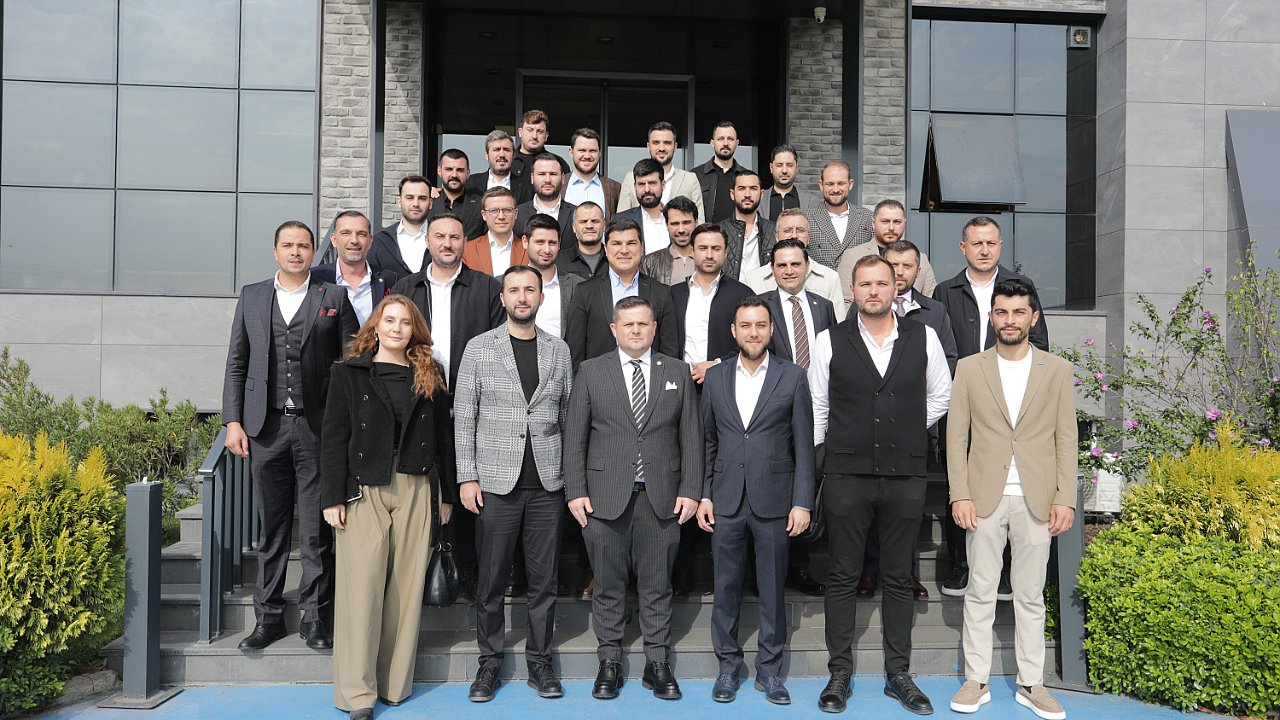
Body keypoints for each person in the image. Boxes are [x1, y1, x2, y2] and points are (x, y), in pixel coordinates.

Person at [810, 255, 951, 715]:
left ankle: (898, 674)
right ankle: (839, 672)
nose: (874, 291)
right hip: (846, 475)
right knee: (842, 574)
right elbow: (817, 406)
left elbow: (942, 394)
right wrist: (824, 460)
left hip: (905, 474)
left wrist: (905, 429)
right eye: (865, 284)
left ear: (897, 288)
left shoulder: (923, 336)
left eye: (882, 283)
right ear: (852, 291)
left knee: (897, 576)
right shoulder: (830, 340)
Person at [222, 221, 359, 652]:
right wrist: (232, 422)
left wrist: (346, 425)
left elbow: (351, 364)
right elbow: (236, 363)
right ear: (275, 251)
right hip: (266, 428)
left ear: (314, 252)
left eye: (303, 246)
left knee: (316, 531)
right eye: (288, 245)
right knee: (273, 529)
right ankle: (268, 619)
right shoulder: (253, 295)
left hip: (316, 429)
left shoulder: (333, 297)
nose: (296, 252)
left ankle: (315, 619)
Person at [320, 295, 456, 720]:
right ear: (375, 326)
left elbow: (444, 438)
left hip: (417, 485)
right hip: (364, 488)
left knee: (405, 590)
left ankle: (394, 685)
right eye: (389, 320)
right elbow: (333, 437)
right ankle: (358, 694)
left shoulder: (430, 373)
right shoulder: (348, 373)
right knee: (361, 591)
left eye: (405, 322)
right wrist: (331, 497)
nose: (397, 328)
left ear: (415, 330)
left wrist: (447, 495)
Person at [947, 278, 1077, 720]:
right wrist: (960, 494)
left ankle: (1031, 683)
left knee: (1031, 595)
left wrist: (1065, 497)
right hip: (984, 497)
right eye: (1002, 312)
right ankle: (976, 680)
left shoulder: (1057, 370)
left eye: (1019, 312)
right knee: (980, 592)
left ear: (1033, 318)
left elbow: (1066, 438)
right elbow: (956, 438)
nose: (1010, 320)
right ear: (991, 317)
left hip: (1038, 499)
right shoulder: (970, 368)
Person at [564, 296, 703, 701]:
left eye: (643, 323)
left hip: (662, 499)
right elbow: (575, 436)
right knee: (608, 586)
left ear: (655, 327)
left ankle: (657, 664)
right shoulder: (591, 371)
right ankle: (609, 661)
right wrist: (576, 491)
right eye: (628, 324)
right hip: (603, 499)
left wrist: (691, 489)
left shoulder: (676, 371)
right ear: (614, 329)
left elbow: (691, 437)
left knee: (658, 586)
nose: (636, 330)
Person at [454, 266, 575, 703]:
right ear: (502, 298)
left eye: (530, 290)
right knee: (490, 581)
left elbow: (568, 417)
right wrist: (467, 476)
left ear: (541, 297)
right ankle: (489, 662)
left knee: (544, 582)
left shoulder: (559, 350)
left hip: (547, 485)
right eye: (514, 290)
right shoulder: (479, 348)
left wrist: (571, 480)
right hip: (494, 483)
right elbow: (464, 415)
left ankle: (540, 663)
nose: (522, 297)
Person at [697, 296, 814, 705]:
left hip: (775, 501)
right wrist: (705, 494)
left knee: (772, 590)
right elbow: (707, 441)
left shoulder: (792, 376)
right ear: (734, 331)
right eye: (745, 325)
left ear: (771, 330)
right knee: (725, 587)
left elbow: (804, 446)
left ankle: (770, 671)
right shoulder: (715, 378)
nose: (753, 332)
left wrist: (802, 502)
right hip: (725, 499)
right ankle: (727, 668)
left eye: (760, 325)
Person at [933, 215, 1049, 599]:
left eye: (990, 243)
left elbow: (1040, 345)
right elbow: (937, 350)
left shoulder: (1021, 287)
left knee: (1007, 486)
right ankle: (961, 565)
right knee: (960, 482)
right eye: (976, 243)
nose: (984, 250)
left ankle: (1003, 572)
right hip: (961, 403)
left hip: (1009, 409)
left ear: (1000, 246)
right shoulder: (945, 291)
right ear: (963, 248)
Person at [856, 238, 959, 602]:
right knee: (870, 503)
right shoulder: (863, 307)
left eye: (907, 266)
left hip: (916, 431)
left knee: (908, 508)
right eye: (893, 265)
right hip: (870, 429)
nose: (900, 272)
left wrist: (914, 418)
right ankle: (870, 570)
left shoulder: (934, 312)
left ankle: (907, 572)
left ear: (918, 270)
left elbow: (948, 361)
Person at [756, 238, 835, 597]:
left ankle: (799, 568)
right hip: (772, 414)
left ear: (807, 267)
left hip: (815, 413)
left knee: (807, 488)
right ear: (772, 270)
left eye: (795, 264)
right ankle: (763, 571)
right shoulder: (761, 306)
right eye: (781, 265)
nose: (789, 271)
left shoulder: (824, 306)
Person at [564, 216, 679, 367]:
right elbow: (575, 354)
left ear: (641, 248)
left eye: (631, 243)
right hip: (600, 380)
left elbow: (670, 353)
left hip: (649, 379)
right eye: (616, 244)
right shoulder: (584, 292)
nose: (624, 250)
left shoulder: (661, 293)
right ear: (606, 249)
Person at [743, 208, 846, 320]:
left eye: (800, 230)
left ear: (809, 237)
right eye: (787, 230)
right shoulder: (753, 280)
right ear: (776, 237)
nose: (794, 235)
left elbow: (838, 324)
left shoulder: (830, 278)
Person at [837, 199, 938, 309]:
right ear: (873, 223)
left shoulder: (921, 259)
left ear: (904, 223)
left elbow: (931, 302)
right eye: (885, 221)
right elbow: (844, 303)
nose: (891, 228)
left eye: (897, 222)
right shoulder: (852, 256)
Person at [311, 210, 399, 325]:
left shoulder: (389, 279)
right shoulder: (315, 279)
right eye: (346, 233)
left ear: (370, 241)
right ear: (334, 240)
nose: (354, 241)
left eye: (361, 234)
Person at [617, 121, 706, 219]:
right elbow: (621, 220)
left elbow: (699, 221)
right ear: (648, 146)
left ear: (675, 146)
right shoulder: (630, 178)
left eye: (667, 143)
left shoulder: (690, 179)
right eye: (656, 143)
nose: (661, 148)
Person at [803, 161, 874, 268]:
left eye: (841, 183)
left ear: (850, 184)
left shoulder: (867, 218)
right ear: (821, 185)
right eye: (830, 184)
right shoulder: (806, 219)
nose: (835, 189)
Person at [369, 175, 434, 277]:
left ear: (430, 203)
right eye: (410, 198)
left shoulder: (443, 239)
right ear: (399, 201)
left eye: (422, 198)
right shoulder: (380, 241)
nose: (416, 204)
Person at [718, 169, 775, 280]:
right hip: (730, 291)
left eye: (753, 188)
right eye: (741, 188)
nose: (747, 194)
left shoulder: (774, 230)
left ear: (761, 194)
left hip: (764, 291)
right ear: (732, 194)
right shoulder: (719, 231)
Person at [462, 187, 528, 277]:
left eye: (507, 210)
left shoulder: (529, 249)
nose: (501, 216)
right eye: (494, 211)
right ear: (484, 215)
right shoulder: (467, 250)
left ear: (516, 214)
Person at [513, 152, 577, 245]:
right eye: (542, 174)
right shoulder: (516, 215)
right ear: (532, 178)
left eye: (553, 174)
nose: (547, 180)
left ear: (563, 178)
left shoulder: (577, 215)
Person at [425, 148, 486, 239]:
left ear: (468, 173)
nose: (454, 175)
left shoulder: (481, 204)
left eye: (460, 170)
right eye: (449, 169)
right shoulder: (427, 202)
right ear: (439, 171)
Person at [694, 121, 748, 223]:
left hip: (739, 232)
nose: (725, 143)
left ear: (737, 143)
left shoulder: (746, 177)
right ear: (712, 143)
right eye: (721, 139)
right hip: (706, 232)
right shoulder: (696, 175)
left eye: (730, 139)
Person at [614, 158, 671, 254]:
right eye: (641, 184)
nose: (647, 189)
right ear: (635, 187)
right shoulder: (619, 220)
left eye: (652, 183)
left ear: (663, 185)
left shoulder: (676, 220)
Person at [640, 195, 700, 286]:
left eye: (686, 223)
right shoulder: (648, 263)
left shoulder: (711, 258)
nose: (681, 230)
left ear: (696, 222)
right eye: (675, 224)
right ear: (666, 225)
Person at [565, 127, 621, 217]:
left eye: (592, 151)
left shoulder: (615, 188)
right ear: (571, 152)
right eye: (582, 150)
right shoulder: (559, 184)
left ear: (600, 153)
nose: (587, 156)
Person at [465, 129, 531, 203]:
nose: (502, 155)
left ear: (513, 155)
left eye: (507, 150)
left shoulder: (527, 186)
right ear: (486, 154)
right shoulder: (470, 183)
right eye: (496, 150)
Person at [760, 144, 821, 221]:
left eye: (789, 165)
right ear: (771, 168)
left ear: (797, 167)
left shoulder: (812, 202)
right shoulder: (759, 200)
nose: (784, 170)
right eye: (779, 165)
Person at [558, 201, 607, 279]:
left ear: (604, 226)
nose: (589, 226)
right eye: (583, 222)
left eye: (595, 221)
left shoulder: (616, 259)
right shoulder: (559, 262)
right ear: (574, 227)